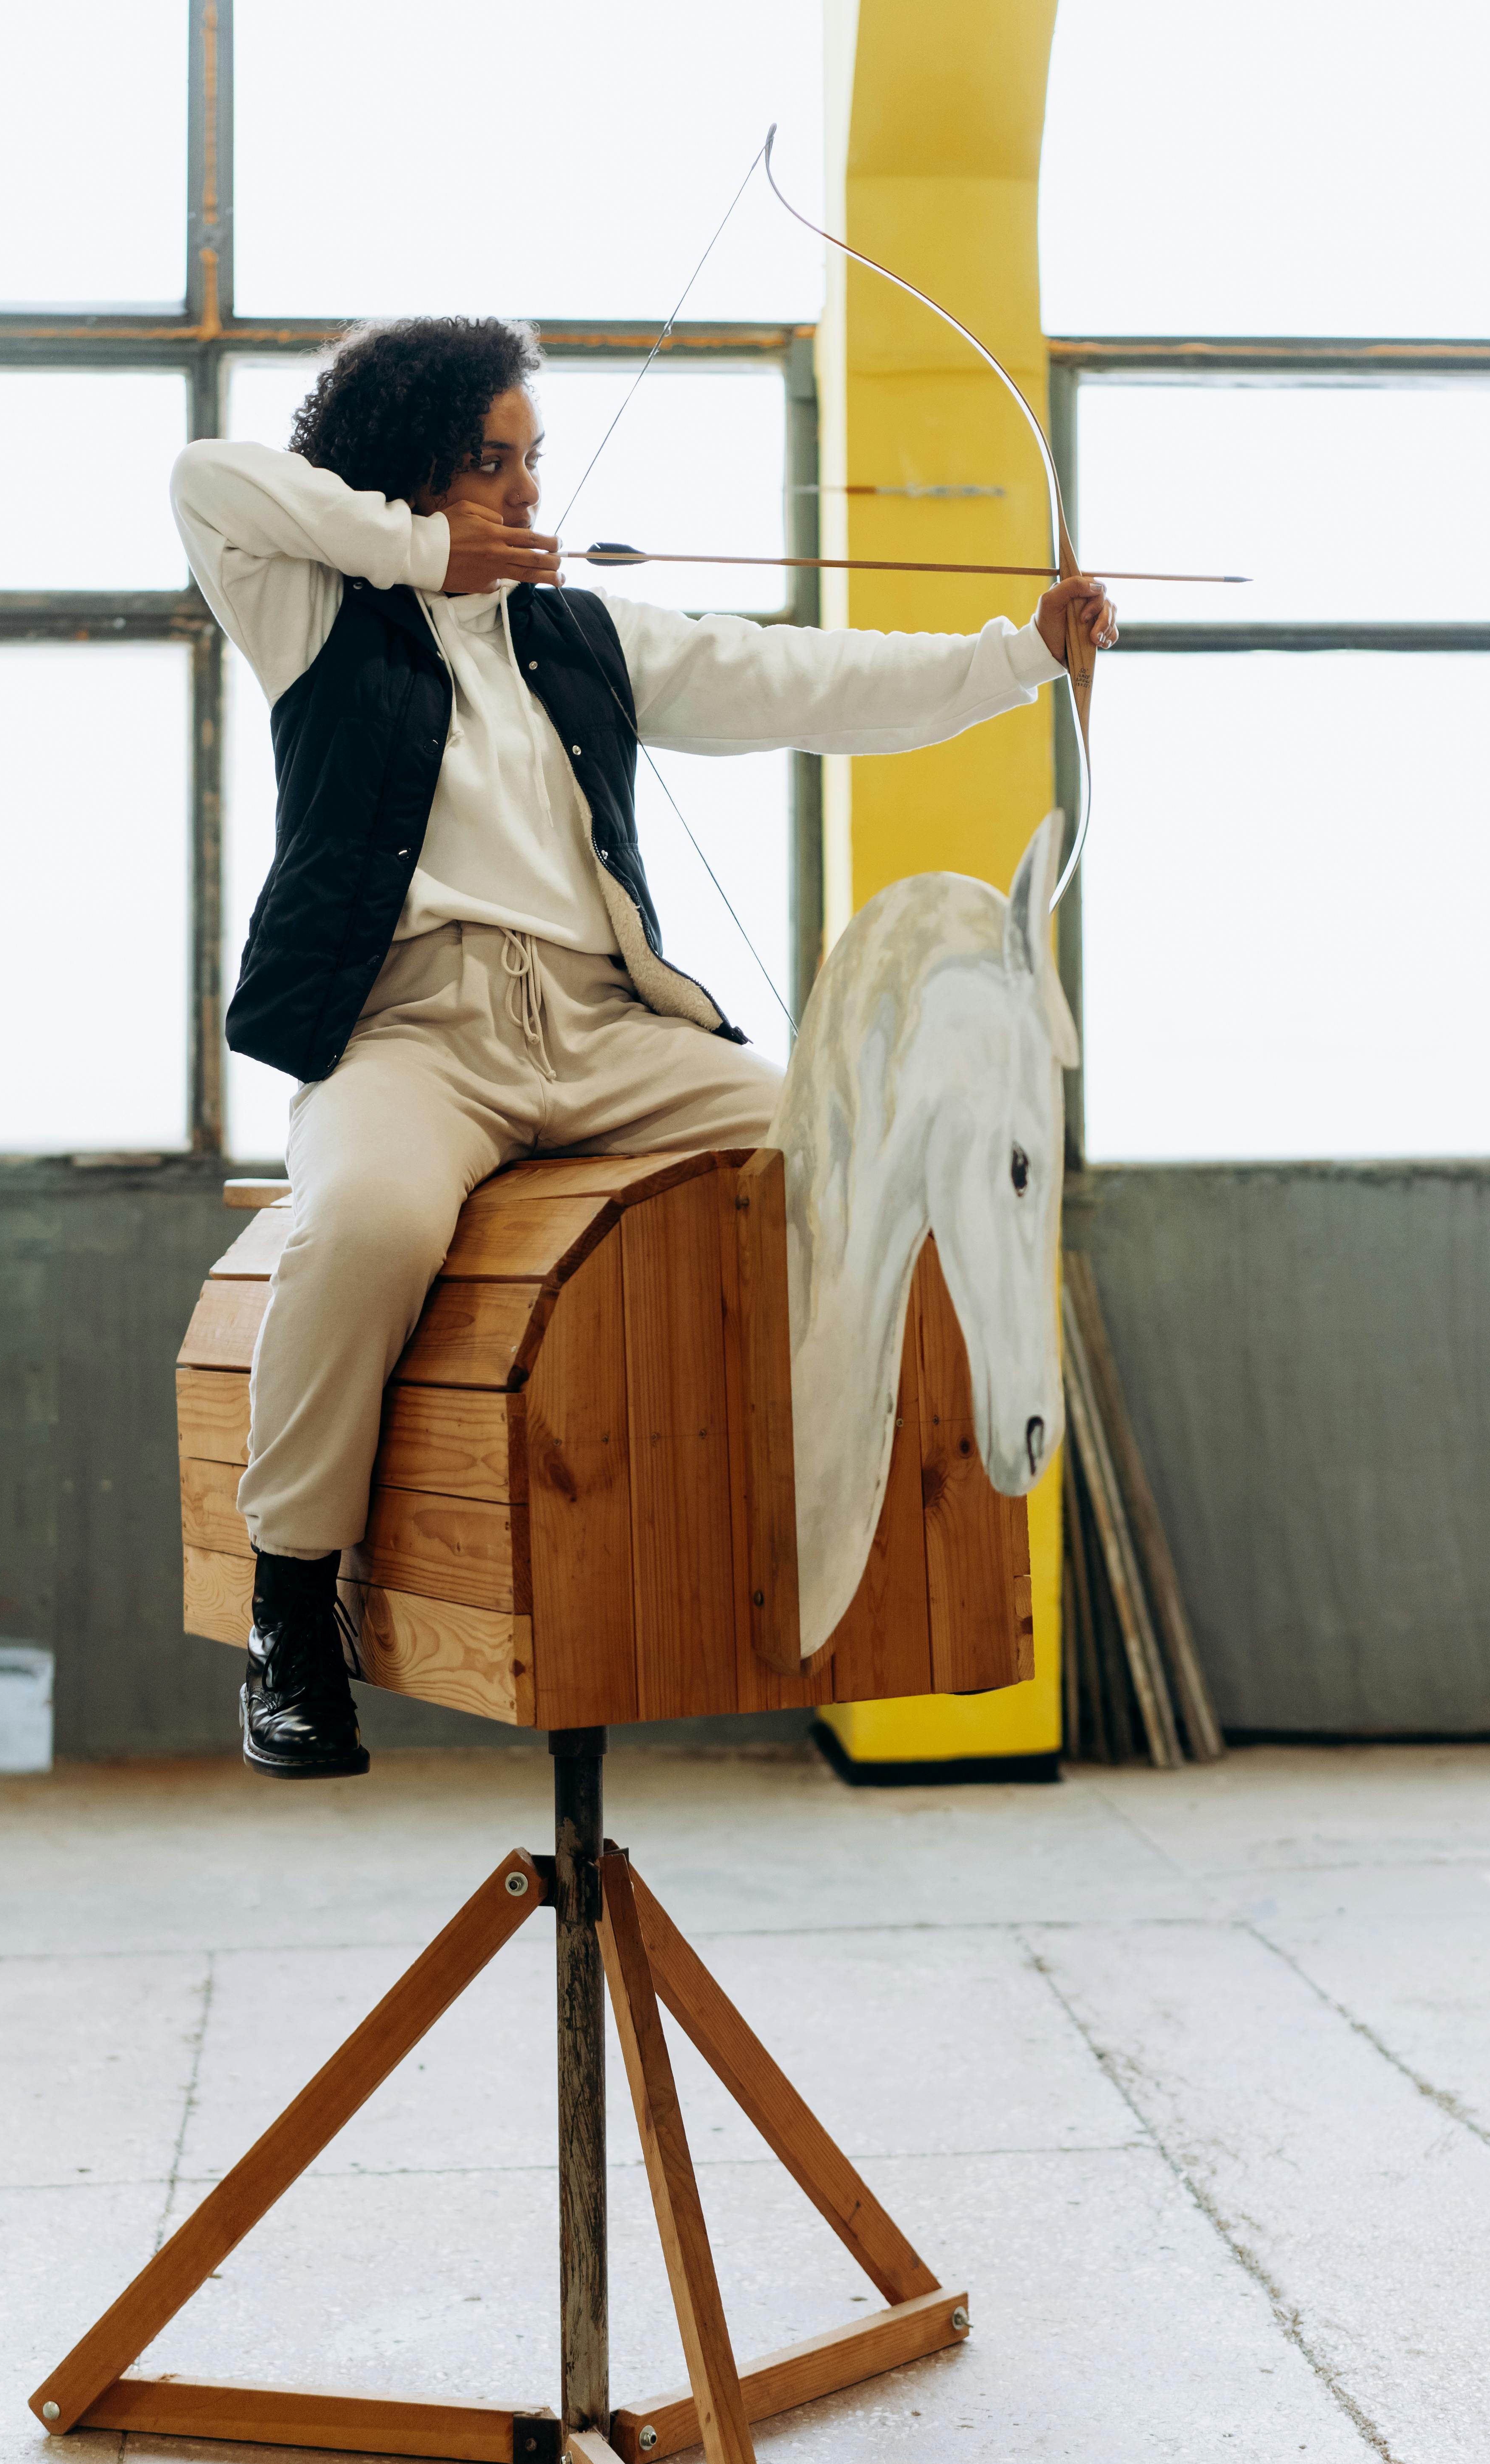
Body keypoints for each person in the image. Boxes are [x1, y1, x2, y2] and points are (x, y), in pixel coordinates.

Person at [171, 313, 1117, 1782]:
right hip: (415, 1033)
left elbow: (805, 682)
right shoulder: (308, 610)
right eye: (491, 464)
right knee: (365, 1222)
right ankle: (290, 1611)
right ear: (408, 467)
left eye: (533, 462)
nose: (528, 497)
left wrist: (1021, 657)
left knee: (828, 1148)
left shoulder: (585, 633)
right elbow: (205, 475)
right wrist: (424, 556)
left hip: (610, 1031)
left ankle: (818, 1515)